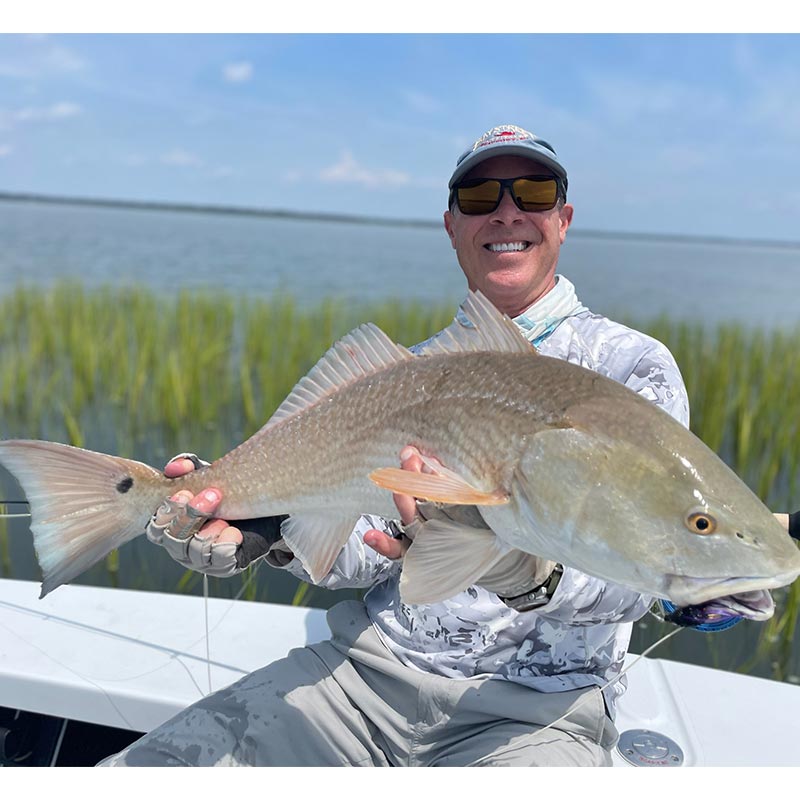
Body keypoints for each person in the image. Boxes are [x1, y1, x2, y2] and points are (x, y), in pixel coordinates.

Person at [97, 124, 722, 767]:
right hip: (361, 679)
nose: (508, 211)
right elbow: (374, 556)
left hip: (538, 712)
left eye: (533, 192)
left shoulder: (631, 370)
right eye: (480, 196)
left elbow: (643, 580)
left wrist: (528, 575)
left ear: (563, 220)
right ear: (451, 225)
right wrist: (269, 527)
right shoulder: (408, 373)